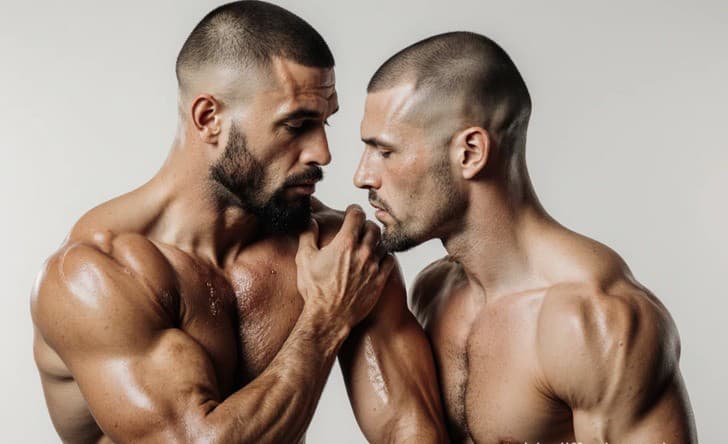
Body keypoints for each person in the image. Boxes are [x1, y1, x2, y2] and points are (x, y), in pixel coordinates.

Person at [30, 2, 447, 443]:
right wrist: (325, 319)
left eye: (324, 123)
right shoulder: (96, 275)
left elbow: (407, 427)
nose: (322, 153)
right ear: (209, 119)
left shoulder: (339, 254)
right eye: (297, 125)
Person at [355, 31, 697, 443]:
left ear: (470, 153)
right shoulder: (434, 292)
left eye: (385, 152)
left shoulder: (595, 320)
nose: (362, 176)